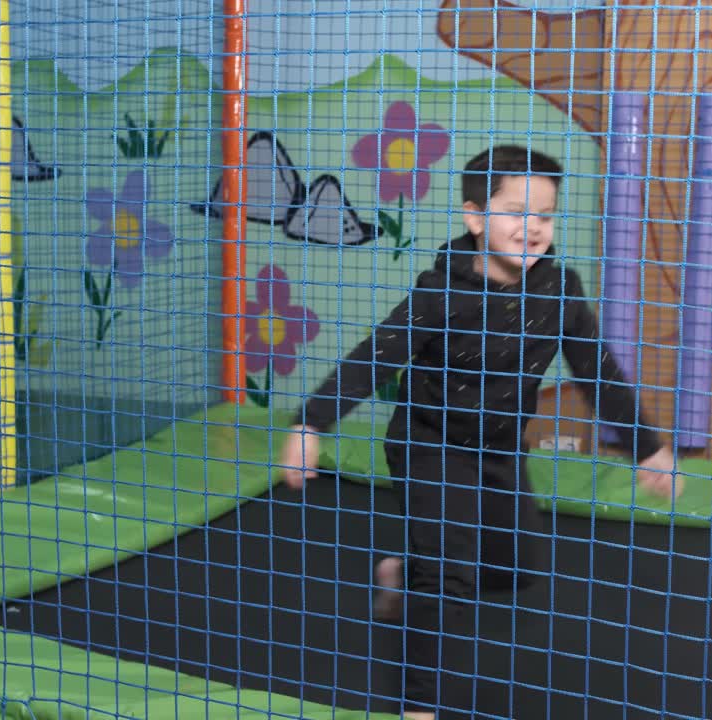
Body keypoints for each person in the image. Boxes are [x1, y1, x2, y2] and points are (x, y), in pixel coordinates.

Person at [278, 144, 681, 719]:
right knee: (448, 575)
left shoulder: (559, 291)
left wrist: (647, 446)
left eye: (544, 215)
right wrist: (311, 422)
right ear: (474, 217)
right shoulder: (441, 291)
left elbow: (599, 370)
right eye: (516, 211)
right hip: (430, 443)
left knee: (512, 568)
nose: (533, 227)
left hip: (498, 447)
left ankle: (404, 571)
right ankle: (418, 706)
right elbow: (377, 355)